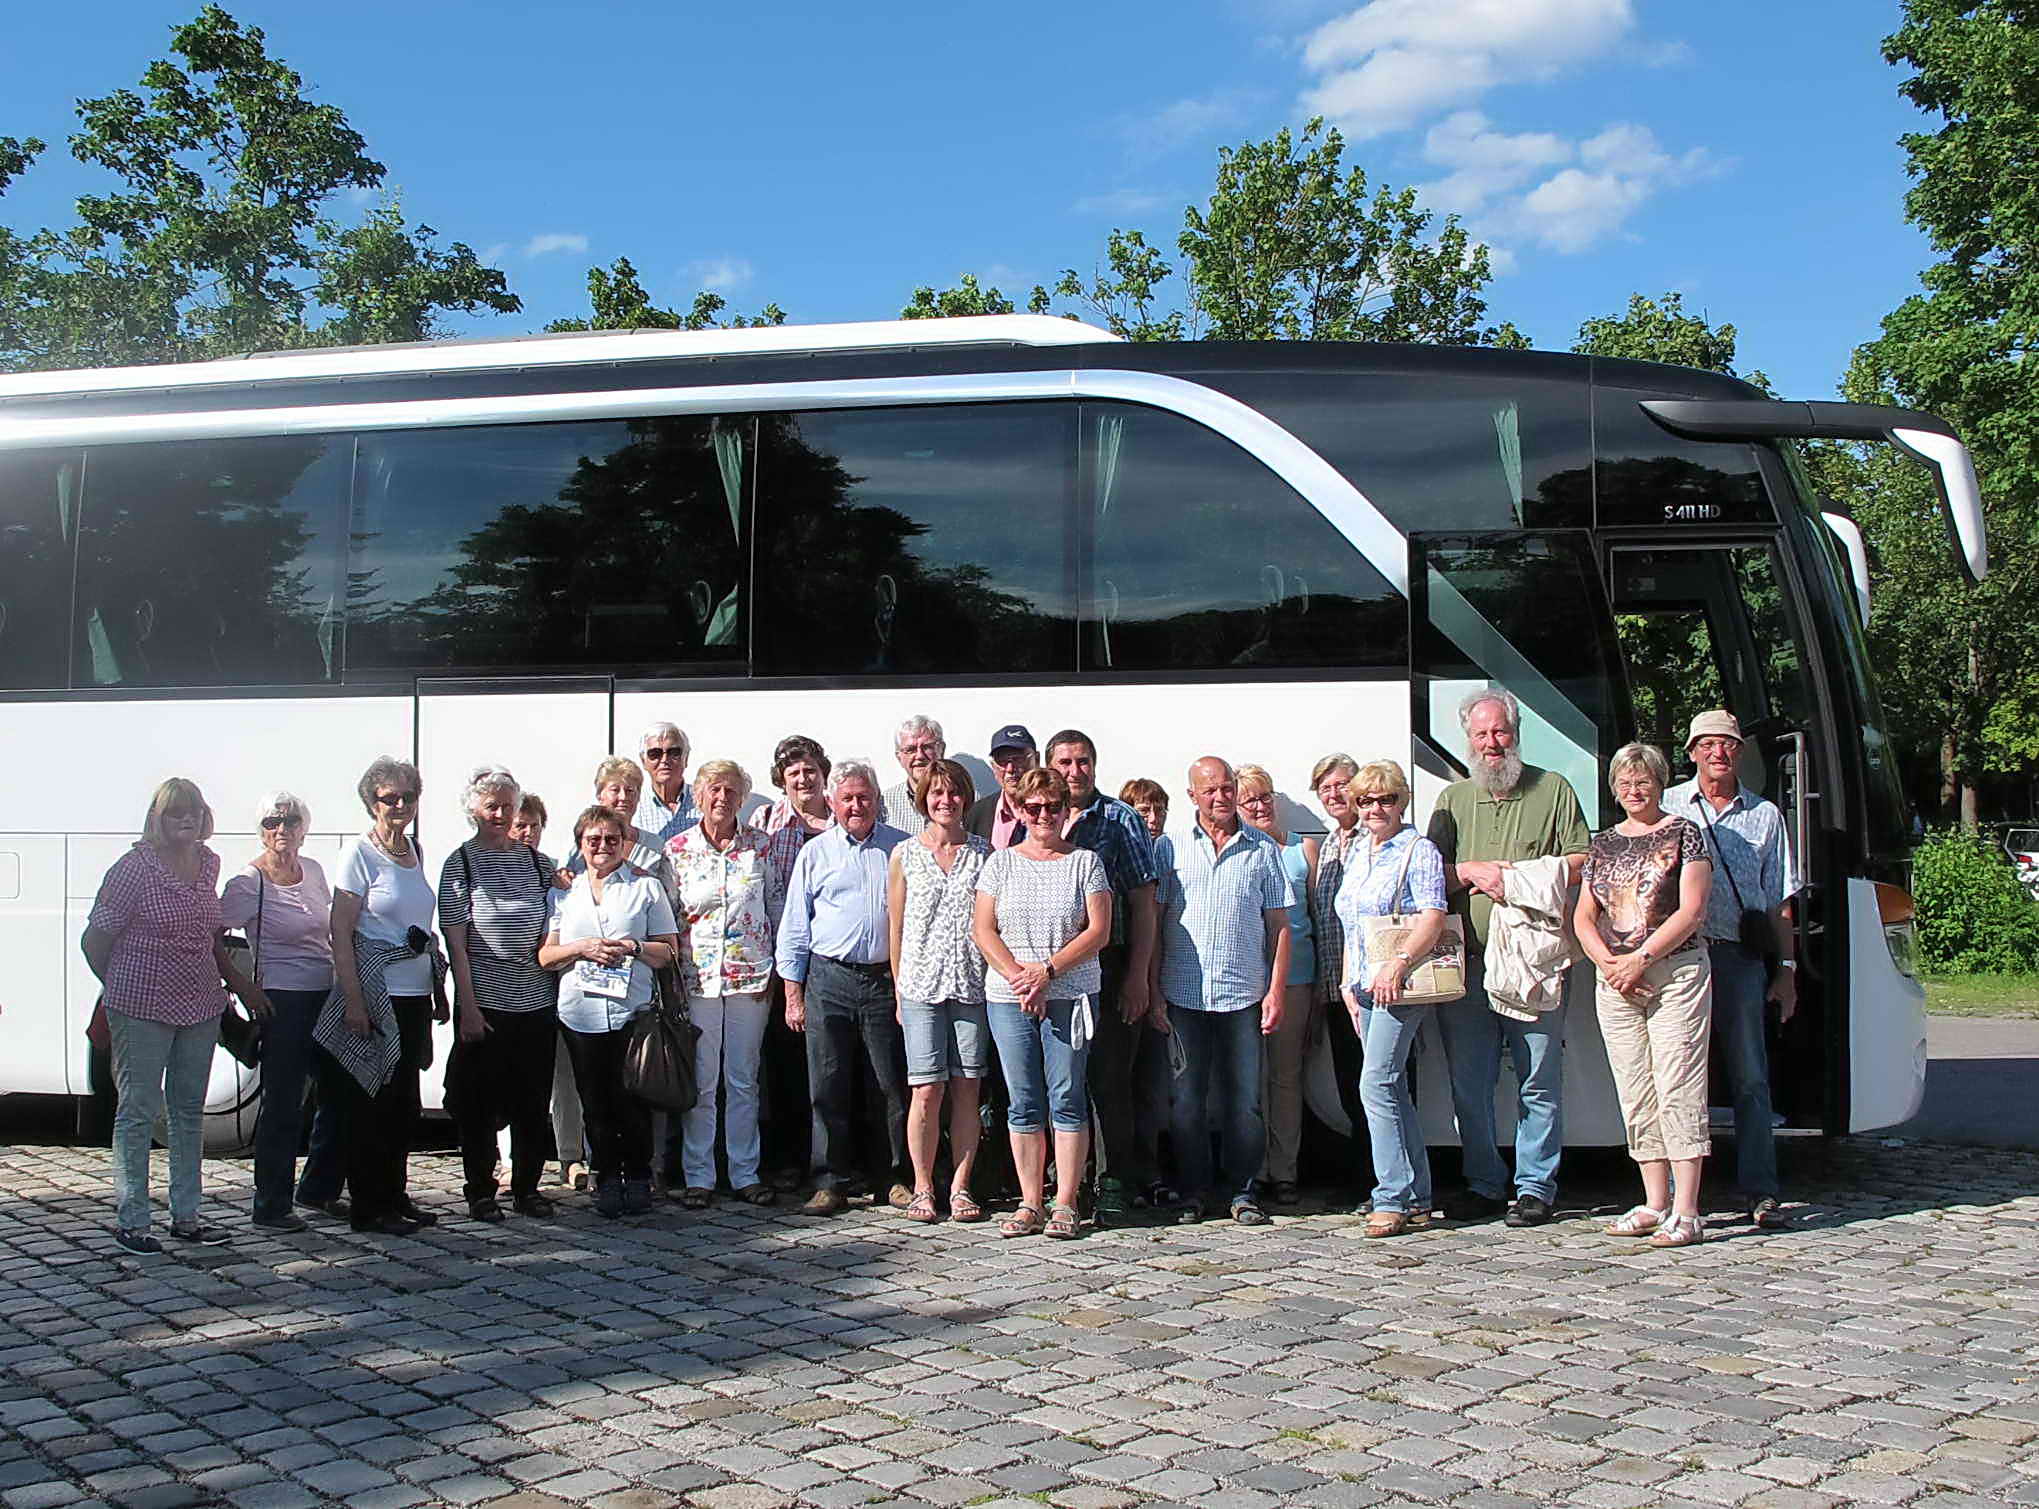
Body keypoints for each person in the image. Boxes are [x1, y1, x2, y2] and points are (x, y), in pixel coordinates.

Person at [84, 778, 271, 1255]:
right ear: (158, 819)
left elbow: (211, 938)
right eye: (175, 812)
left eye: (193, 810)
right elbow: (95, 940)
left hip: (199, 1003)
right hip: (141, 1005)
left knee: (188, 1110)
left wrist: (243, 987)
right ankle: (133, 1219)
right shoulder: (134, 868)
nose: (185, 818)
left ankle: (186, 1216)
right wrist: (122, 987)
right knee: (139, 1109)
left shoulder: (208, 864)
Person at [1427, 688, 1589, 1229]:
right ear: (1467, 740)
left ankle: (1535, 1186)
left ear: (1515, 734)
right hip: (1469, 963)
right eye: (1481, 735)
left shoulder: (1554, 789)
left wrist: (1518, 879)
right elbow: (1429, 876)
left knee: (1537, 1078)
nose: (1492, 743)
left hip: (1534, 963)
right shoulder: (1452, 800)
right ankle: (1482, 1181)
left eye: (1500, 733)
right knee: (1468, 1082)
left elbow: (1582, 860)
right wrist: (1471, 871)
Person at [1578, 743, 1715, 1249]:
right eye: (1625, 783)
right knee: (1636, 1090)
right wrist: (1610, 965)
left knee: (1678, 1084)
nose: (1635, 791)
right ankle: (1654, 1201)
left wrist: (1642, 959)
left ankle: (1688, 1209)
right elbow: (1583, 918)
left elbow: (1692, 910)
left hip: (1674, 974)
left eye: (1644, 782)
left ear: (1660, 784)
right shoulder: (1603, 843)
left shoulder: (1685, 834)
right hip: (1616, 983)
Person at [1663, 710, 1795, 1229]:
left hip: (1738, 957)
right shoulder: (1668, 805)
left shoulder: (1765, 816)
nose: (1718, 753)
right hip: (1677, 957)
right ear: (1692, 751)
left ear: (1740, 754)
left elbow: (1779, 902)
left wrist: (1785, 970)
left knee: (1749, 1077)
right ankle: (1675, 1193)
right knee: (1676, 1076)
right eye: (1708, 745)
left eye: (1728, 745)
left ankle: (1760, 1190)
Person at [1151, 757, 1294, 1227]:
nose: (1221, 796)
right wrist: (1151, 988)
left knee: (1245, 1101)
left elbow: (1279, 928)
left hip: (1243, 995)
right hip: (1183, 994)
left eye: (1227, 787)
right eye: (1209, 789)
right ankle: (1192, 1191)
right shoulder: (1168, 848)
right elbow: (1153, 924)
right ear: (1192, 795)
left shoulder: (1262, 850)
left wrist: (1276, 990)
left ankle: (1242, 1191)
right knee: (1187, 1099)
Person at [972, 768, 1113, 1239]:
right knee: (1023, 1099)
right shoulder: (1000, 863)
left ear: (1064, 809)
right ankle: (1030, 1200)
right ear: (1020, 811)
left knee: (1067, 1096)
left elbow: (1098, 930)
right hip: (1010, 996)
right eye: (1033, 808)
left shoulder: (1085, 862)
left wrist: (1047, 972)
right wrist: (1020, 977)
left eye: (1052, 807)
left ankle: (1067, 1201)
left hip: (1069, 993)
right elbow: (984, 929)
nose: (1043, 816)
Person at [316, 758, 448, 1237]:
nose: (399, 806)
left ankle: (395, 1193)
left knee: (404, 1105)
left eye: (407, 797)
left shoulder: (415, 849)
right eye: (389, 798)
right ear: (371, 802)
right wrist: (354, 1000)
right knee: (372, 1103)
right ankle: (368, 1206)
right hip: (378, 993)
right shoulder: (359, 854)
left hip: (413, 992)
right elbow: (341, 928)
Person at [775, 760, 911, 1216]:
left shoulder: (900, 848)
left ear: (877, 800)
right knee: (827, 1082)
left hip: (883, 980)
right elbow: (795, 927)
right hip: (828, 978)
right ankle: (830, 1179)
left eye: (864, 797)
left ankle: (892, 1177)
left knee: (889, 1084)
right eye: (848, 798)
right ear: (832, 803)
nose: (856, 805)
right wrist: (793, 994)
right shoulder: (815, 853)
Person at [541, 805, 680, 1217]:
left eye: (611, 840)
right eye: (594, 840)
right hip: (579, 1012)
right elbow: (546, 956)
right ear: (580, 844)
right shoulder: (564, 892)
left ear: (624, 843)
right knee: (595, 1100)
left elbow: (668, 950)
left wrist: (633, 947)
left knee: (632, 1100)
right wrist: (580, 947)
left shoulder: (645, 887)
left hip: (630, 1010)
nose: (603, 847)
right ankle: (604, 1175)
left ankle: (637, 1176)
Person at [1046, 730, 1160, 1221]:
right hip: (1051, 970)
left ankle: (1114, 1181)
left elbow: (1143, 900)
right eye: (1065, 763)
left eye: (1083, 761)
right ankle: (1066, 1182)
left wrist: (1138, 977)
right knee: (1061, 1080)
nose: (1075, 771)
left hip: (1109, 966)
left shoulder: (1120, 818)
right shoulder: (1038, 816)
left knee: (1110, 1079)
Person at [439, 766, 560, 1223]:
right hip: (486, 1002)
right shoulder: (461, 863)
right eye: (491, 806)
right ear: (474, 809)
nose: (500, 814)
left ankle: (527, 1188)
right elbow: (456, 943)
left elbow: (563, 909)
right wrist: (466, 1006)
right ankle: (480, 1190)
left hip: (536, 1000)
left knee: (532, 1101)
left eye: (507, 806)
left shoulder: (535, 861)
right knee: (478, 1104)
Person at [1332, 761, 1448, 1238]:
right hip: (1363, 984)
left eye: (1386, 800)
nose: (1375, 809)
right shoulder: (1359, 850)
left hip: (1400, 983)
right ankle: (1416, 1194)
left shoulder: (1417, 850)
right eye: (1365, 801)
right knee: (1391, 1087)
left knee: (1375, 1083)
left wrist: (1398, 963)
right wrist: (1346, 983)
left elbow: (1433, 915)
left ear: (1401, 801)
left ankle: (1392, 1195)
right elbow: (1350, 921)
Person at [221, 790, 340, 1233]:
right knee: (283, 1103)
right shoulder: (247, 883)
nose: (282, 830)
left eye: (290, 822)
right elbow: (212, 937)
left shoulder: (313, 871)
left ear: (304, 829)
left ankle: (317, 1188)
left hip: (323, 993)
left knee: (337, 1093)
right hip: (281, 998)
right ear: (261, 829)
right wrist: (245, 988)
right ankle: (271, 1203)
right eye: (272, 822)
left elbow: (327, 931)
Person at [666, 760, 782, 1208]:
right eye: (714, 790)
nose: (722, 798)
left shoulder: (762, 848)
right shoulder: (677, 851)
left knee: (743, 1079)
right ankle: (699, 1175)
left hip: (749, 978)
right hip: (697, 981)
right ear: (698, 796)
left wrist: (776, 973)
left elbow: (776, 908)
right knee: (701, 1080)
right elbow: (670, 920)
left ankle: (745, 1172)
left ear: (743, 798)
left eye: (731, 791)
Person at [886, 759, 993, 1224]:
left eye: (953, 793)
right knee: (926, 1090)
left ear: (965, 799)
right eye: (936, 793)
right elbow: (897, 927)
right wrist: (897, 990)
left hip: (972, 985)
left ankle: (961, 1187)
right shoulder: (905, 855)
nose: (945, 801)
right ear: (923, 799)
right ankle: (924, 1186)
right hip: (921, 986)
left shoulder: (985, 855)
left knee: (968, 1087)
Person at [1235, 763, 1319, 1206]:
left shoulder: (1302, 850)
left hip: (1297, 979)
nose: (1259, 805)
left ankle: (1284, 1168)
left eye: (1264, 796)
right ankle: (1252, 1168)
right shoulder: (1240, 852)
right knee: (1250, 1078)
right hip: (1248, 978)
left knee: (1286, 1078)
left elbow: (1319, 921)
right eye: (1249, 798)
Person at [759, 734, 832, 1189]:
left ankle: (837, 1160)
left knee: (831, 1066)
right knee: (784, 1065)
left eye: (810, 771)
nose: (803, 779)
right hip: (780, 961)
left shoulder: (844, 817)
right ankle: (787, 1160)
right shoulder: (766, 821)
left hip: (830, 963)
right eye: (793, 774)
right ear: (781, 782)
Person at [512, 794, 588, 1191]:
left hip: (550, 987)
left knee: (563, 1078)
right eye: (519, 825)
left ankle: (570, 1157)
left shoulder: (552, 873)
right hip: (503, 989)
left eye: (534, 826)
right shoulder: (491, 867)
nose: (527, 833)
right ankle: (507, 1160)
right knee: (510, 1077)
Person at [1308, 753, 1373, 1202]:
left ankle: (1391, 1182)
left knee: (1382, 1088)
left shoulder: (1378, 840)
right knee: (1352, 1087)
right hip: (1335, 987)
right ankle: (1365, 1179)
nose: (1334, 794)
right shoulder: (1330, 845)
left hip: (1374, 988)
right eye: (1324, 788)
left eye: (1341, 785)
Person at [967, 725, 1038, 848]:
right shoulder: (976, 813)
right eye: (1002, 761)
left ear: (1036, 760)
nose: (1010, 769)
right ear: (993, 767)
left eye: (1018, 759)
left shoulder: (1055, 810)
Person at [635, 722, 697, 847]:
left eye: (674, 752)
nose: (664, 760)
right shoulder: (633, 806)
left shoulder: (704, 801)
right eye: (655, 754)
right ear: (643, 761)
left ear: (686, 758)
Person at [881, 715, 945, 833]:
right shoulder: (884, 803)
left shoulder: (961, 797)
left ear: (942, 750)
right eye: (910, 749)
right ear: (899, 757)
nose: (919, 756)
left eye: (927, 747)